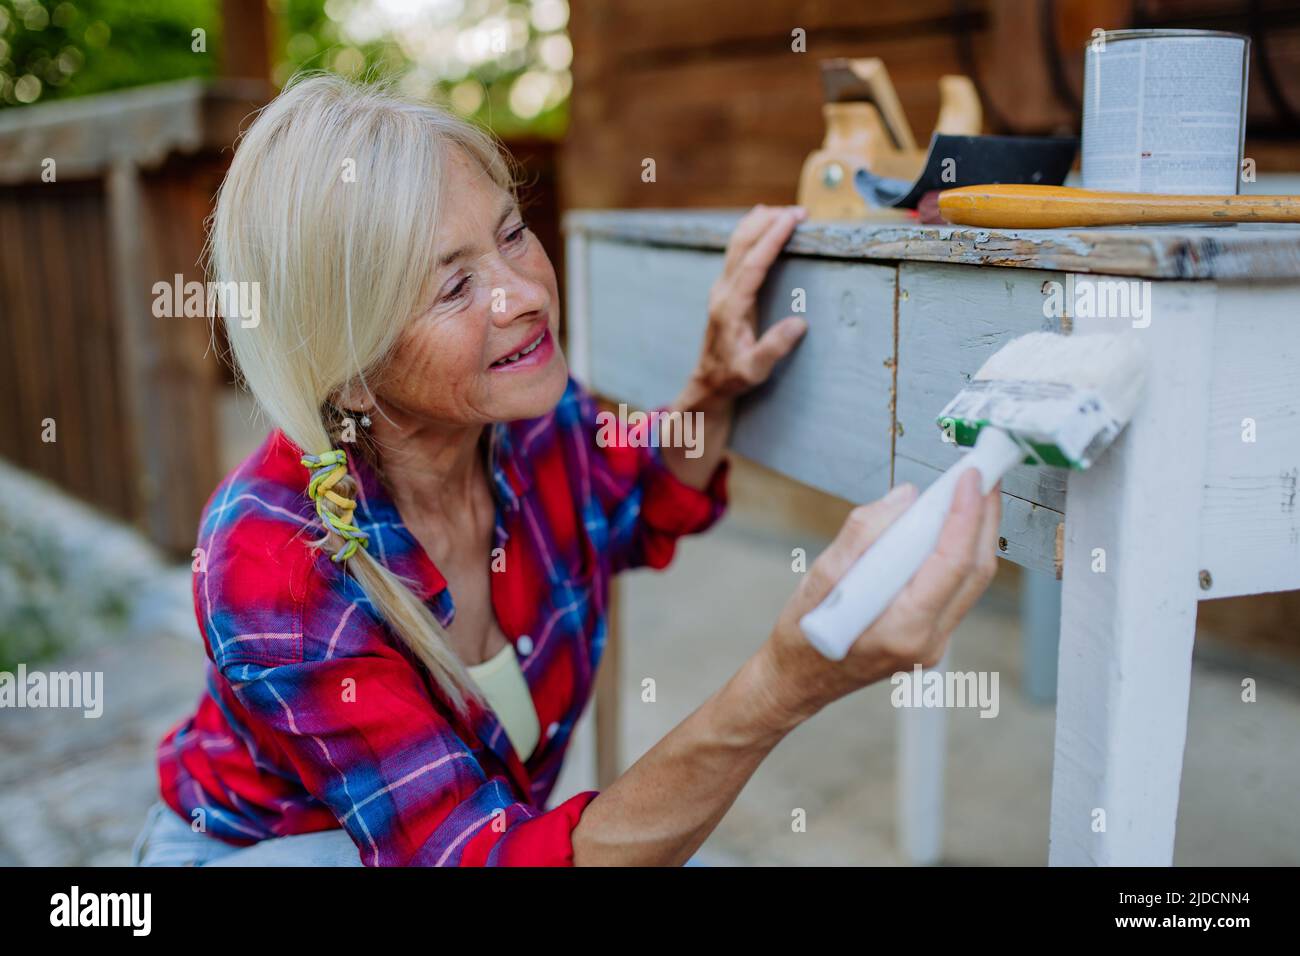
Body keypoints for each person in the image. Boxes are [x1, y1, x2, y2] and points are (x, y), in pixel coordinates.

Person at [133, 73, 1001, 867]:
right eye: (452, 288)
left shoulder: (529, 416)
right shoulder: (271, 564)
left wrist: (713, 388)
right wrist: (784, 682)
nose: (524, 293)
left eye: (512, 234)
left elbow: (646, 500)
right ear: (347, 365)